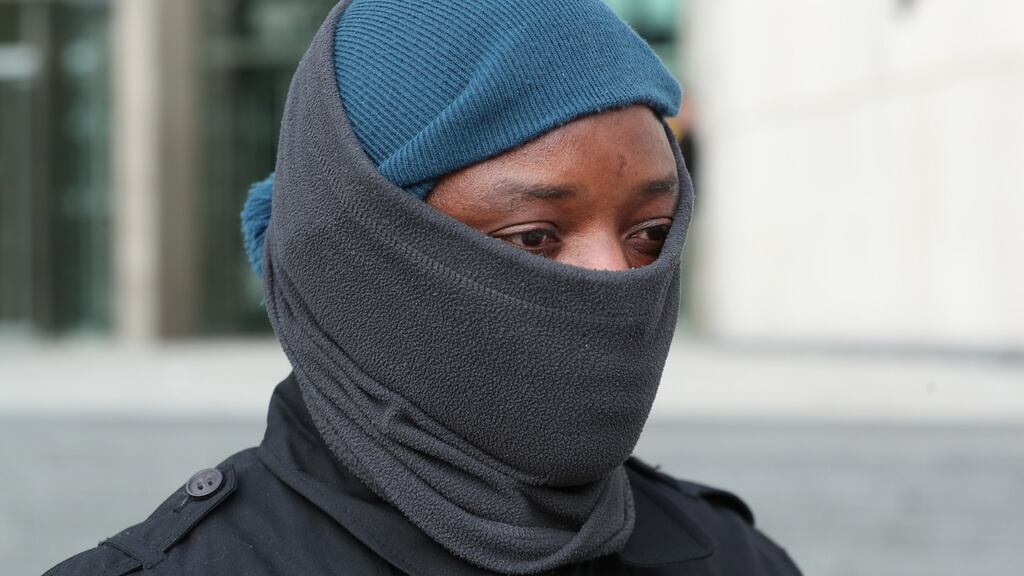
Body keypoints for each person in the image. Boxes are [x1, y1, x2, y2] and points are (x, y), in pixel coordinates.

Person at [45, 1, 802, 575]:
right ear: (362, 255)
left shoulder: (733, 556)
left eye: (650, 234)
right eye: (534, 238)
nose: (616, 281)